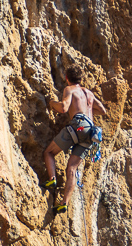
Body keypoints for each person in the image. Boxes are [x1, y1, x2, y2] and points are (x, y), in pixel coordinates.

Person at [43, 65, 107, 214]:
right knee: (72, 168)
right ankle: (64, 203)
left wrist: (52, 103)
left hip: (79, 125)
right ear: (81, 79)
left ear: (67, 78)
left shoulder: (70, 90)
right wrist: (88, 110)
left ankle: (52, 178)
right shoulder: (89, 93)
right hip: (92, 132)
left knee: (49, 153)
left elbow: (63, 108)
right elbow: (102, 110)